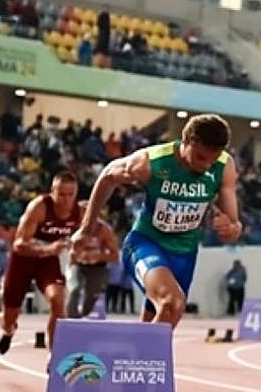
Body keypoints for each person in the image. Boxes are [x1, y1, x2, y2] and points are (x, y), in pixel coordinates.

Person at [71, 114, 242, 330]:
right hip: (145, 244)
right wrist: (86, 228)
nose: (207, 165)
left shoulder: (224, 166)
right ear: (186, 141)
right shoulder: (150, 163)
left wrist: (229, 229)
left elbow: (235, 228)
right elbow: (107, 176)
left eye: (212, 159)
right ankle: (143, 360)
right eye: (200, 157)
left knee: (159, 323)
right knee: (172, 303)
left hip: (185, 255)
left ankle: (136, 361)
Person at [0, 172, 81, 354]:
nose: (66, 200)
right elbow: (19, 244)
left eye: (70, 195)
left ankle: (55, 353)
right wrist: (48, 249)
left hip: (48, 262)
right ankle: (9, 330)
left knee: (58, 299)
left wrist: (80, 249)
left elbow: (89, 236)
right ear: (52, 192)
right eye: (61, 194)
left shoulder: (80, 212)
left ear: (76, 194)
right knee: (9, 317)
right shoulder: (39, 207)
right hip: (23, 261)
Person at [65, 212, 119, 319]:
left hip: (97, 266)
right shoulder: (74, 227)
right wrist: (74, 256)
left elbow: (115, 256)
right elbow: (70, 251)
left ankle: (83, 314)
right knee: (74, 289)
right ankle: (72, 319)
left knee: (91, 296)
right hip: (78, 264)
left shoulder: (104, 230)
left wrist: (98, 256)